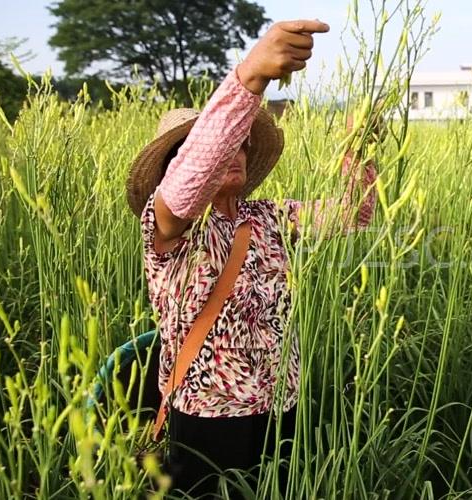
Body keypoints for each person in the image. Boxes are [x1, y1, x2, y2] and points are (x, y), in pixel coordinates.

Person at [124, 19, 378, 498]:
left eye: (241, 143)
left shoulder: (270, 217)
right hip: (206, 418)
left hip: (282, 404)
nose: (234, 151)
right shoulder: (168, 226)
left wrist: (359, 149)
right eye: (225, 142)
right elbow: (196, 167)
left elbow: (354, 214)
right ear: (179, 165)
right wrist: (251, 78)